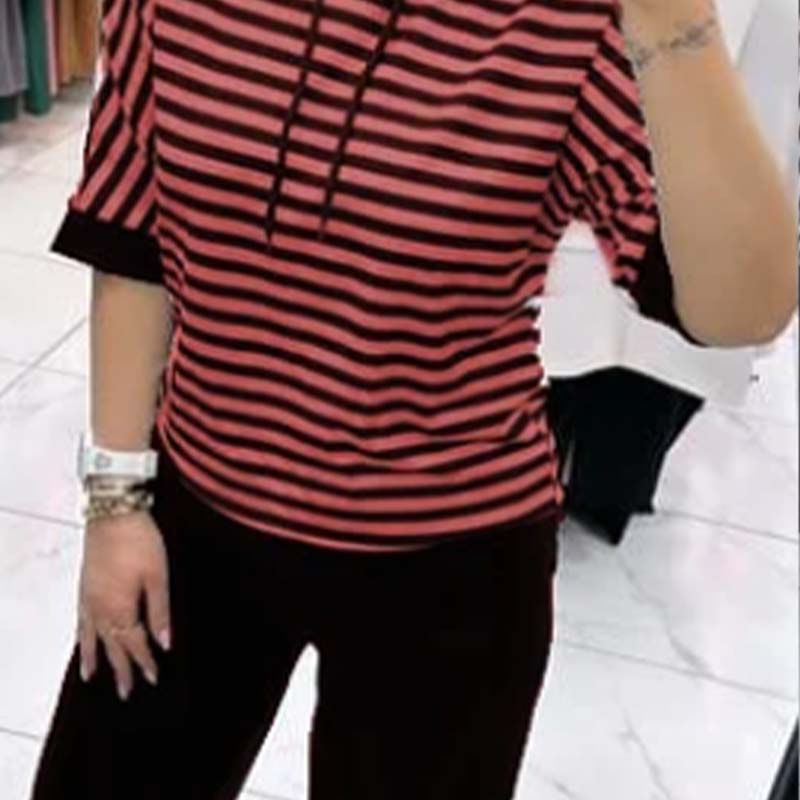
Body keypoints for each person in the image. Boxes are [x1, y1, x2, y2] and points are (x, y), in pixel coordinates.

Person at [28, 0, 758, 797]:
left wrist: (673, 21)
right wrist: (115, 502)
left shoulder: (569, 28)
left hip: (450, 555)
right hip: (197, 508)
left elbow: (735, 310)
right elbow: (130, 237)